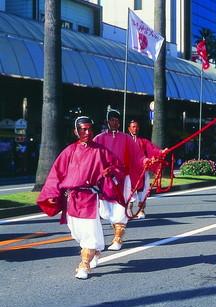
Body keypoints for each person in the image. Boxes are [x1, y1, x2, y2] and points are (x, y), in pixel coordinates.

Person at [37, 116, 123, 279]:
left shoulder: (101, 150)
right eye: (83, 129)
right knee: (77, 233)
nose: (87, 132)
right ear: (75, 131)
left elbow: (118, 167)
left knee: (89, 231)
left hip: (90, 198)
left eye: (90, 128)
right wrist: (52, 194)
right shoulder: (69, 151)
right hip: (72, 199)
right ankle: (96, 250)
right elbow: (56, 174)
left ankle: (84, 265)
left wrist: (110, 172)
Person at [94, 109, 146, 251]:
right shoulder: (98, 138)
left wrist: (147, 160)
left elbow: (138, 155)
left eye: (117, 120)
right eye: (112, 119)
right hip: (105, 180)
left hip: (123, 179)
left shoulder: (126, 138)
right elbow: (91, 157)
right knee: (106, 211)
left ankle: (118, 239)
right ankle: (117, 232)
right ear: (107, 121)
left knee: (120, 208)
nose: (114, 122)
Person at [127, 119, 167, 219]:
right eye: (133, 127)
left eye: (136, 127)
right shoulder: (125, 141)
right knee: (129, 192)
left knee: (142, 192)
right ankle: (128, 211)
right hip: (129, 172)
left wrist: (161, 152)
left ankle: (141, 210)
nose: (135, 129)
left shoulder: (143, 141)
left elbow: (153, 149)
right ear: (129, 128)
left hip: (142, 171)